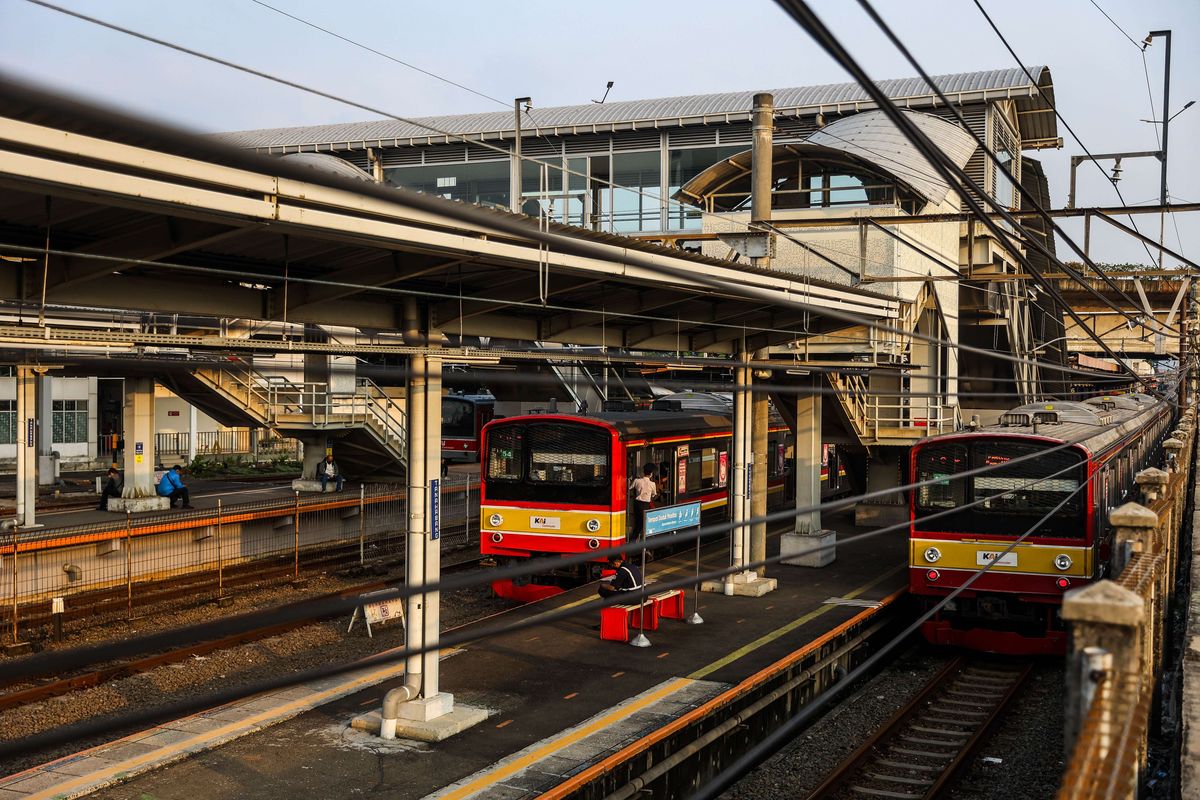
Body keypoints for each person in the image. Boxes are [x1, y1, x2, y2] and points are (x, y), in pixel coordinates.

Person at [630, 463, 658, 544]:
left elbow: (629, 488)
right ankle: (642, 540)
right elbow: (654, 494)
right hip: (646, 504)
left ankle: (634, 539)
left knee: (637, 521)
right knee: (644, 522)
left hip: (637, 503)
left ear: (643, 472)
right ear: (651, 474)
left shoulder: (637, 481)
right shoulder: (652, 484)